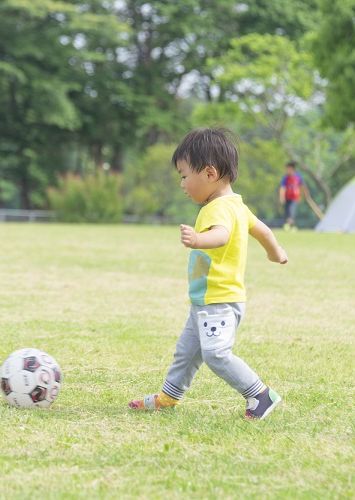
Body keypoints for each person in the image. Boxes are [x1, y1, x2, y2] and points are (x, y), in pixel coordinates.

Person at [128, 127, 288, 420]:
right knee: (187, 352)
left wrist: (198, 240)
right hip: (206, 301)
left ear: (210, 173)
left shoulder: (217, 209)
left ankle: (261, 395)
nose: (182, 183)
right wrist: (275, 252)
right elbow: (263, 230)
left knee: (216, 354)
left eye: (184, 175)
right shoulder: (238, 205)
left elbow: (221, 236)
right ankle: (169, 396)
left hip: (219, 302)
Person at [278, 161, 307, 230]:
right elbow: (282, 188)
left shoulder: (297, 176)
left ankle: (289, 225)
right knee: (287, 212)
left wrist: (306, 193)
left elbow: (302, 185)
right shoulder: (285, 178)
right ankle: (293, 226)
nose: (287, 171)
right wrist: (281, 197)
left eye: (288, 169)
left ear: (292, 169)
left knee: (291, 211)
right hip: (287, 198)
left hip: (295, 198)